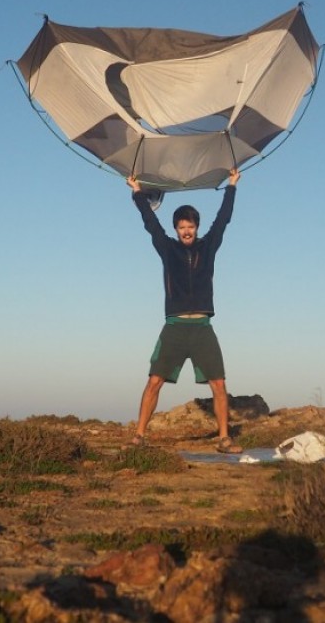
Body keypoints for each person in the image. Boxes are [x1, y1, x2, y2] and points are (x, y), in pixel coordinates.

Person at [126, 168, 244, 454]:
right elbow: (150, 223)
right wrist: (137, 192)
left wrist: (231, 186)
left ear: (196, 227)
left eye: (190, 226)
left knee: (219, 383)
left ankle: (224, 439)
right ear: (177, 230)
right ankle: (139, 436)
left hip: (202, 327)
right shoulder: (167, 248)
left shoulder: (209, 246)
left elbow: (223, 220)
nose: (186, 231)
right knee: (154, 381)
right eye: (181, 227)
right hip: (175, 327)